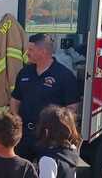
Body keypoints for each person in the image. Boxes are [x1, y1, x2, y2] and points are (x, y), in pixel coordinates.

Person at [9, 33, 80, 161]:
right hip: (25, 134)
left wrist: (57, 126)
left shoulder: (64, 75)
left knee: (45, 174)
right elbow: (15, 99)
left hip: (49, 136)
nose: (27, 53)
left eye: (31, 49)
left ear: (43, 51)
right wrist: (16, 118)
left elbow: (72, 107)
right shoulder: (24, 72)